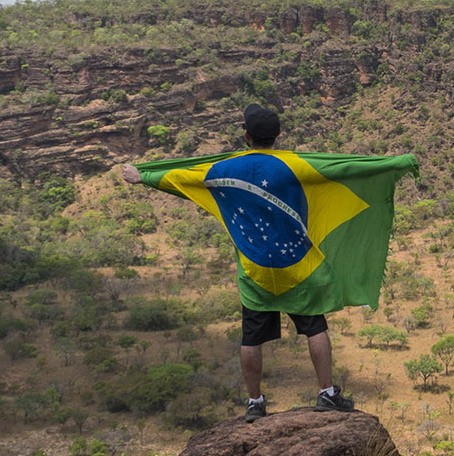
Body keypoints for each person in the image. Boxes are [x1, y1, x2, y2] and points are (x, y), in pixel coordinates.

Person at [121, 105, 354, 421]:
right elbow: (347, 170)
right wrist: (394, 165)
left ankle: (255, 402)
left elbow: (181, 179)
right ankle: (326, 393)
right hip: (297, 265)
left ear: (246, 135)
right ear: (278, 135)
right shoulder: (295, 165)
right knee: (315, 325)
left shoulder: (224, 169)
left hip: (255, 269)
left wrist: (143, 176)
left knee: (252, 336)